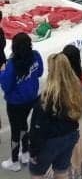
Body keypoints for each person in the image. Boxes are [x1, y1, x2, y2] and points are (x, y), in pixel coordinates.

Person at [29, 53, 82, 179]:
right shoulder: (75, 92)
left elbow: (37, 128)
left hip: (50, 141)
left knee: (37, 173)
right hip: (70, 135)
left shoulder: (45, 98)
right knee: (61, 171)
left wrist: (33, 150)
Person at [0, 32, 44, 172]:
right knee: (24, 124)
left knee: (15, 130)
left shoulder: (12, 64)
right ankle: (25, 153)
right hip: (31, 99)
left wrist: (2, 72)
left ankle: (14, 161)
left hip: (15, 103)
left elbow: (6, 86)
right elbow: (40, 72)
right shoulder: (36, 56)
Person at [62, 45, 82, 179]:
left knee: (69, 155)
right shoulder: (78, 78)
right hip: (75, 124)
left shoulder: (66, 82)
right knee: (79, 152)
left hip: (66, 125)